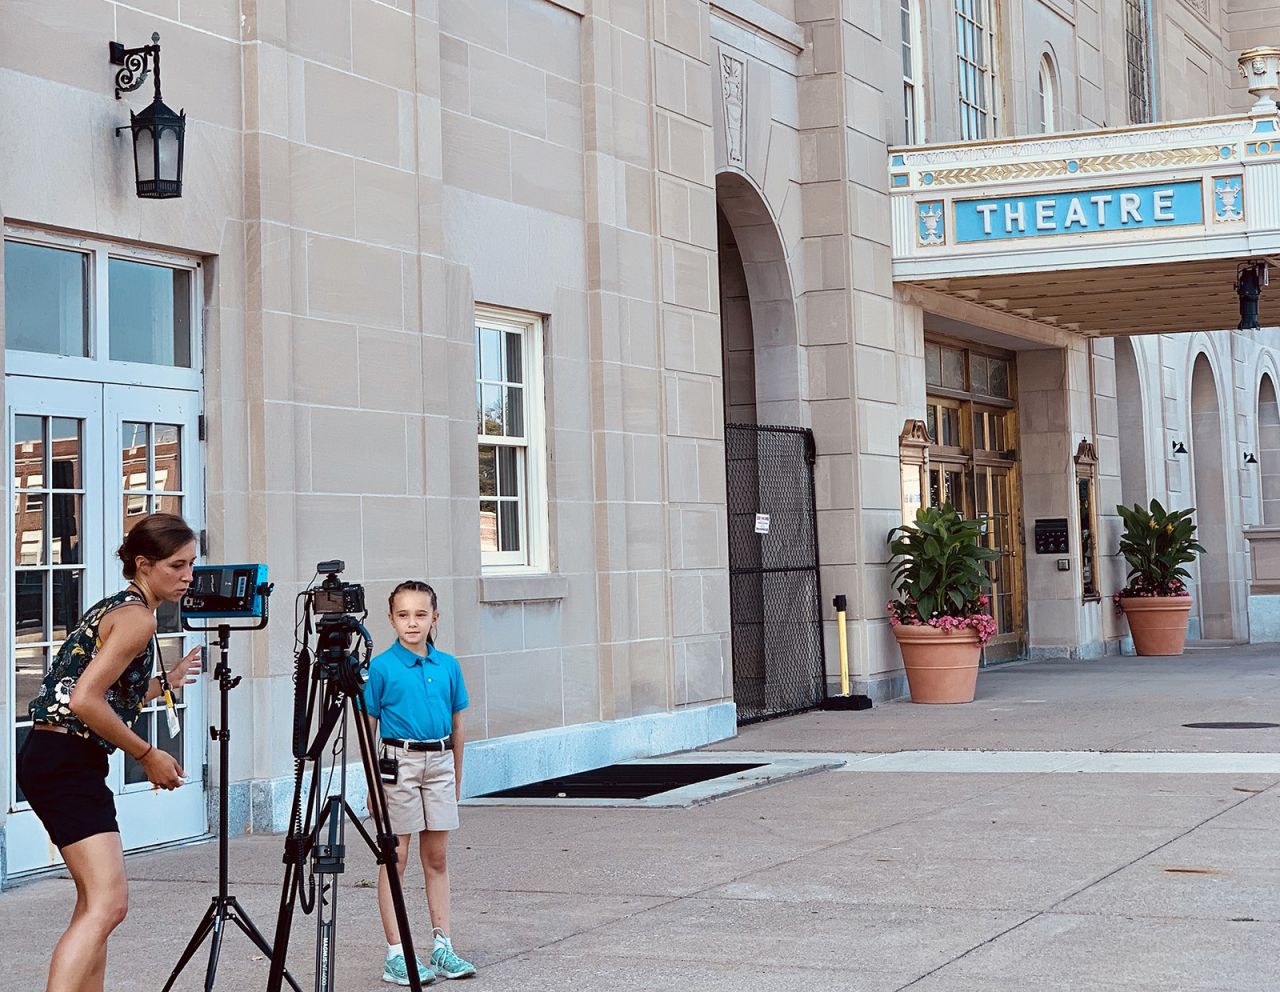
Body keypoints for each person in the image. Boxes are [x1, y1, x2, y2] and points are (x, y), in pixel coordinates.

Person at [16, 512, 204, 992]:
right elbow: (83, 700)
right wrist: (148, 753)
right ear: (144, 563)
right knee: (109, 904)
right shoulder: (138, 618)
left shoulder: (118, 608)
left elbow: (96, 691)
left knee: (94, 901)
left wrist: (166, 680)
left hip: (54, 755)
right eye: (177, 566)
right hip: (66, 759)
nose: (187, 576)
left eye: (191, 565)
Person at [364, 580, 476, 985]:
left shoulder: (448, 665)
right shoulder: (381, 668)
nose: (412, 623)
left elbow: (459, 724)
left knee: (438, 858)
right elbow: (368, 729)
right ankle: (396, 953)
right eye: (403, 615)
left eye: (420, 614)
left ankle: (443, 945)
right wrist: (373, 785)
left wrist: (457, 777)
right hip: (399, 764)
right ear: (391, 619)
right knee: (396, 857)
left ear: (435, 618)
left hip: (441, 763)